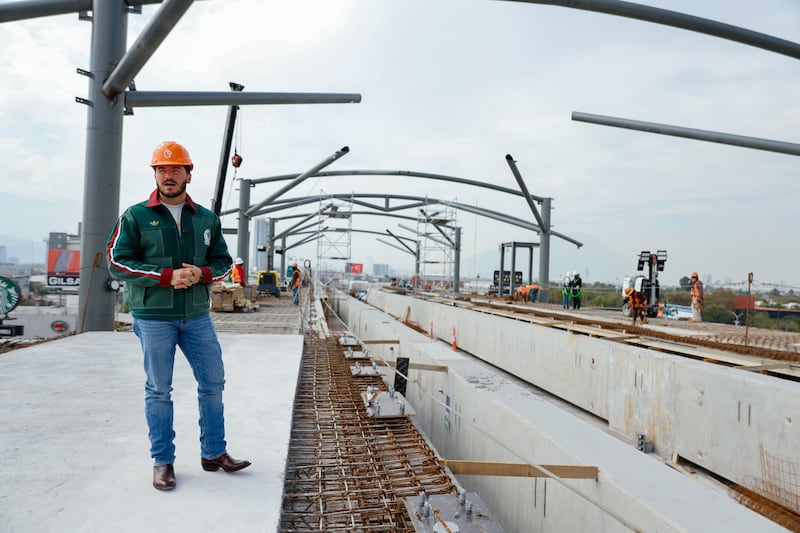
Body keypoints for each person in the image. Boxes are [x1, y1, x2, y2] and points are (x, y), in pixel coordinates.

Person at [107, 141, 251, 492]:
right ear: (154, 173)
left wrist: (202, 274)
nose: (168, 176)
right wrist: (166, 276)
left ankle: (214, 453)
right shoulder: (136, 215)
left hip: (197, 315)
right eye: (161, 169)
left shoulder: (206, 218)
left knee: (213, 383)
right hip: (154, 315)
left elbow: (223, 261)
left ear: (189, 172)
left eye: (175, 169)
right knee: (159, 389)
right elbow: (118, 261)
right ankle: (163, 461)